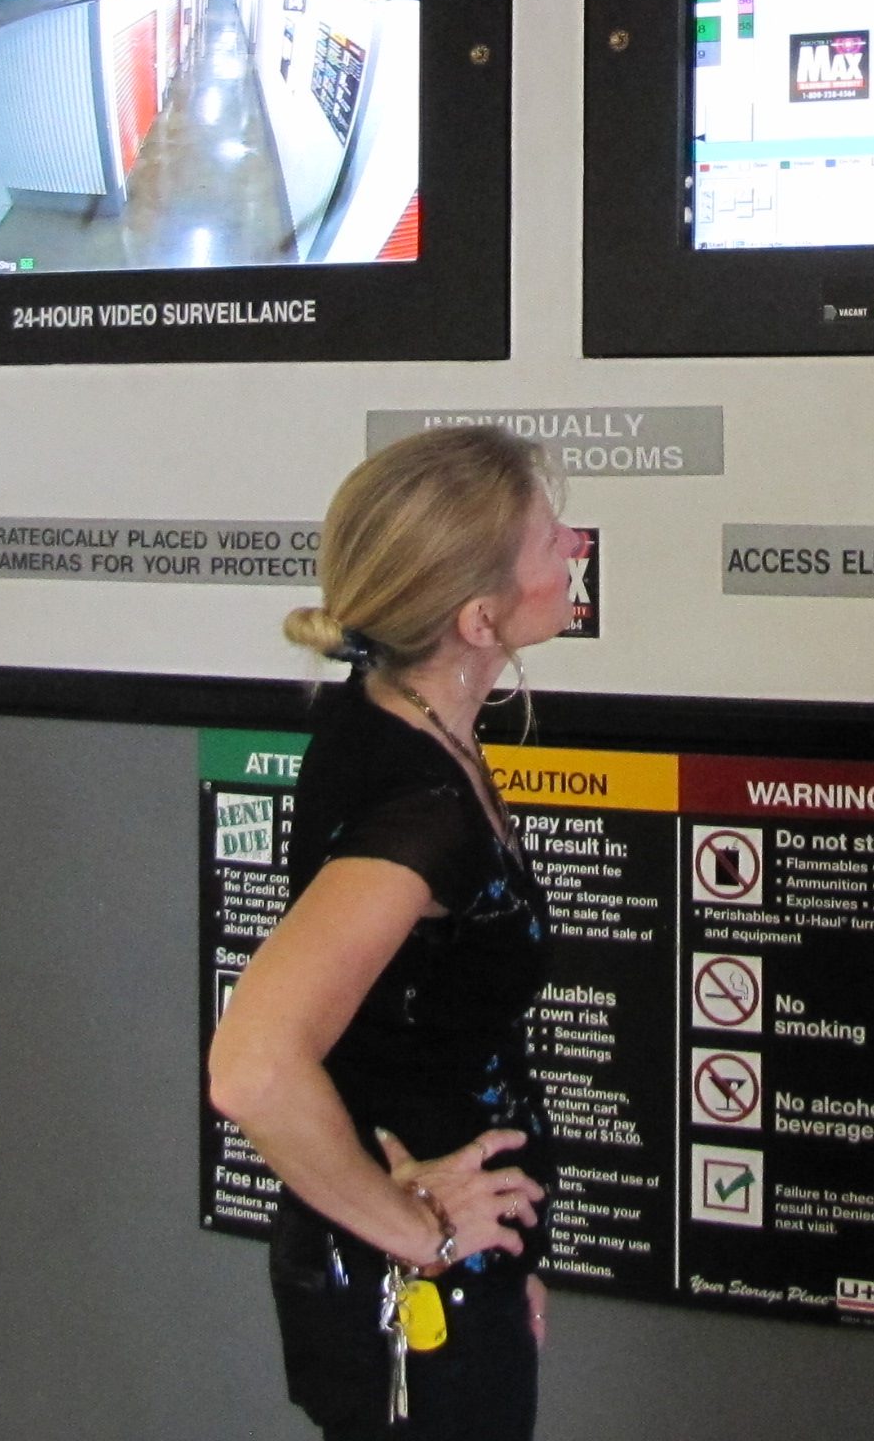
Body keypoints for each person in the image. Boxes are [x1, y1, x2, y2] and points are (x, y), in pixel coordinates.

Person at [206, 425, 584, 1439]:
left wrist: (502, 1263)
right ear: (477, 618)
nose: (574, 548)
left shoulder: (397, 716)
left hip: (444, 1277)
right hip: (407, 1289)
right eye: (550, 539)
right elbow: (252, 1069)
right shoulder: (421, 817)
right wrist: (424, 1238)